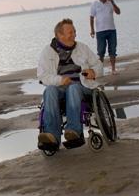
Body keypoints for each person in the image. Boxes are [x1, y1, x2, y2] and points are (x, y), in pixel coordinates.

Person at [36, 18, 104, 147]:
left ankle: (74, 131)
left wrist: (93, 72)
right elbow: (42, 76)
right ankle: (52, 136)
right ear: (59, 35)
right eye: (70, 32)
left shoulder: (82, 48)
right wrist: (60, 80)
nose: (74, 34)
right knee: (49, 90)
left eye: (74, 31)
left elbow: (98, 65)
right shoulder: (48, 52)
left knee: (73, 88)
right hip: (60, 87)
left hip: (83, 86)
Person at [89, 0, 121, 74]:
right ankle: (100, 70)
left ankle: (113, 69)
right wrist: (92, 30)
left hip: (111, 30)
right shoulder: (95, 4)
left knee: (112, 50)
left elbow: (118, 12)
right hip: (100, 31)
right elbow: (91, 17)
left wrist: (113, 3)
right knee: (101, 51)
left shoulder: (110, 2)